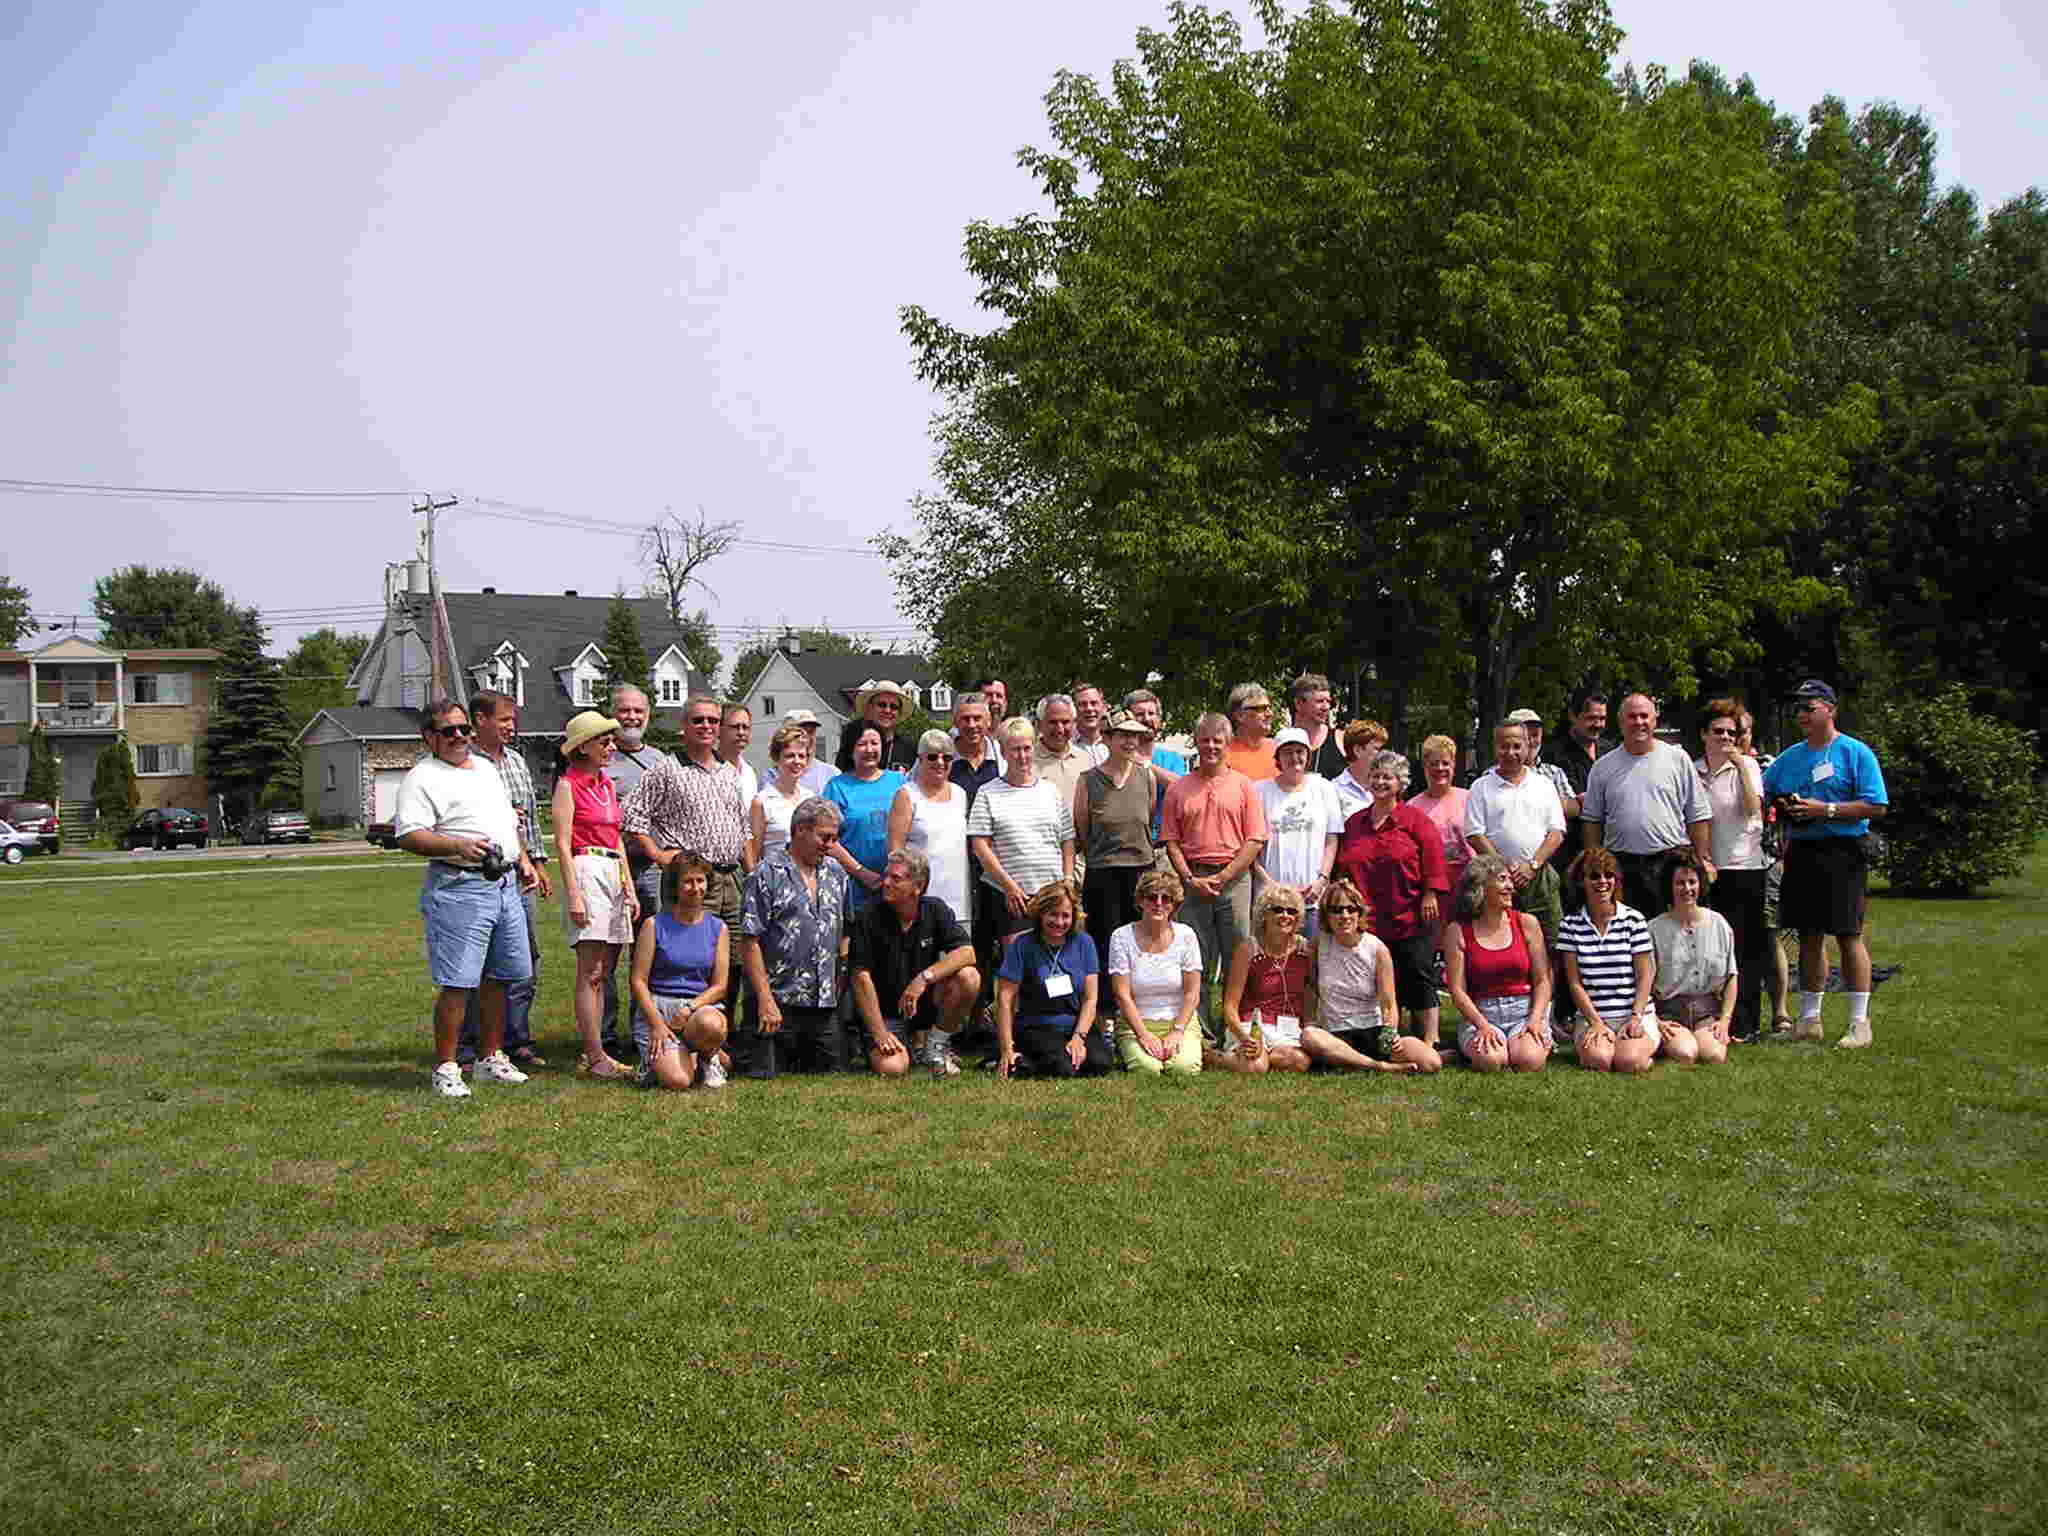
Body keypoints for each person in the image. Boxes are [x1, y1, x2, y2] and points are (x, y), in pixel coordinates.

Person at [394, 697, 539, 1098]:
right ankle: (447, 1066)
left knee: (502, 977)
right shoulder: (421, 778)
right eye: (448, 731)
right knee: (458, 983)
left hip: (505, 883)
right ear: (429, 738)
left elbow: (505, 820)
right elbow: (409, 835)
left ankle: (491, 1058)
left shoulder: (487, 769)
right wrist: (456, 845)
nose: (459, 736)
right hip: (460, 886)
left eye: (464, 729)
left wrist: (522, 858)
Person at [1761, 678, 1889, 1048]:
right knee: (1809, 937)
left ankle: (1859, 1022)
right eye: (1797, 708)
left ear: (1830, 709)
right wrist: (1781, 807)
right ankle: (1809, 1019)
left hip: (1844, 851)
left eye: (1809, 707)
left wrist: (1826, 809)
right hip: (1801, 852)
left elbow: (1876, 805)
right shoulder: (1788, 758)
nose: (1800, 714)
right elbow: (1765, 794)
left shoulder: (1855, 753)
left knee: (1849, 936)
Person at [623, 692, 750, 1058]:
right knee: (679, 959)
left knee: (732, 961)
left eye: (713, 720)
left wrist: (750, 872)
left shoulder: (729, 770)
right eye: (698, 720)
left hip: (731, 879)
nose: (707, 727)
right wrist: (658, 854)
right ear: (684, 727)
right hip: (692, 880)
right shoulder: (667, 769)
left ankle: (718, 1036)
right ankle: (657, 1034)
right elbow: (633, 815)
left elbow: (742, 828)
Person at [455, 690, 551, 1072]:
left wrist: (538, 863)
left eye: (513, 720)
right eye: (504, 719)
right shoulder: (464, 763)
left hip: (517, 872)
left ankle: (516, 1040)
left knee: (522, 959)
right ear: (480, 720)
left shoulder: (515, 761)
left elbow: (528, 819)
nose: (512, 726)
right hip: (479, 876)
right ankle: (468, 1045)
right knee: (476, 964)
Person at [1162, 711, 1268, 1041]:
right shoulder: (1179, 789)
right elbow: (1171, 841)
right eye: (1204, 739)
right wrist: (1189, 878)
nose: (1210, 746)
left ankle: (1238, 1032)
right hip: (1193, 882)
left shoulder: (1244, 787)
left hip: (1235, 880)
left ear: (1227, 745)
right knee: (1197, 960)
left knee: (1239, 957)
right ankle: (1204, 1035)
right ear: (1196, 742)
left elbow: (1255, 840)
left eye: (1217, 741)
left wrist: (1225, 876)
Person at [1334, 749, 1449, 1045]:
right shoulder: (1355, 823)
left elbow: (1435, 858)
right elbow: (1343, 863)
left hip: (1410, 913)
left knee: (1418, 973)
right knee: (1380, 977)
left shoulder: (1415, 820)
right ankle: (1388, 1033)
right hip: (1369, 917)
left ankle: (1431, 1038)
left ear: (1400, 783)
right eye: (1375, 776)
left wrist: (1430, 894)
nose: (1380, 782)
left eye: (1387, 777)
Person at [740, 797, 851, 1075]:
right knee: (764, 1073)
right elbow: (750, 941)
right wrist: (764, 1001)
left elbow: (846, 931)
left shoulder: (836, 873)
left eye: (834, 838)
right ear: (800, 829)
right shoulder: (765, 875)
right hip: (777, 1004)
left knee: (834, 1074)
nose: (830, 845)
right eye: (824, 837)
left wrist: (840, 979)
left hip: (823, 1005)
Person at [554, 709, 638, 1079]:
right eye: (602, 740)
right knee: (589, 971)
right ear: (582, 746)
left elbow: (616, 838)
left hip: (612, 872)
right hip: (586, 869)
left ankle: (598, 1051)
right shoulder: (567, 785)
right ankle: (593, 1054)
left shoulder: (606, 785)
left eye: (611, 739)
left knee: (605, 970)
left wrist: (629, 886)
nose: (610, 746)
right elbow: (561, 841)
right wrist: (574, 893)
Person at [848, 847, 980, 1078]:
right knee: (894, 1068)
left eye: (895, 878)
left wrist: (923, 978)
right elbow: (860, 978)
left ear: (918, 887)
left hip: (925, 1008)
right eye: (885, 875)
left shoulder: (935, 909)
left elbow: (967, 953)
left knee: (969, 976)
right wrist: (879, 1032)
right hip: (885, 1014)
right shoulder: (867, 916)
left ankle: (935, 1047)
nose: (885, 882)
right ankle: (910, 1047)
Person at [1580, 692, 1713, 918]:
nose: (1639, 722)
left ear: (1655, 720)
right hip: (1622, 864)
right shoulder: (1603, 767)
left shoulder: (1678, 760)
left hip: (1670, 861)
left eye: (1644, 716)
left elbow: (1697, 815)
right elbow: (1592, 820)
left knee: (1670, 932)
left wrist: (1701, 860)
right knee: (1627, 933)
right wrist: (1595, 862)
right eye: (1632, 717)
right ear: (1621, 723)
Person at [1301, 878, 1441, 1074]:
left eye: (1351, 909)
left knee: (1431, 1062)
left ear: (1360, 913)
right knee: (1309, 1035)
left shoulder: (1377, 949)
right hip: (1335, 1034)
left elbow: (1389, 1003)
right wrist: (1309, 1022)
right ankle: (1379, 1066)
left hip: (1373, 1031)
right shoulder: (1318, 945)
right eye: (1336, 910)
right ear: (1326, 915)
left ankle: (1352, 1064)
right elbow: (1311, 988)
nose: (1345, 915)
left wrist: (1390, 1033)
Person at [598, 683, 670, 1059]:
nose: (631, 718)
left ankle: (642, 1028)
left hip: (652, 870)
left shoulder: (660, 760)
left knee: (650, 954)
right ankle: (604, 1036)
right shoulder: (600, 757)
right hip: (611, 868)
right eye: (624, 711)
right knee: (606, 954)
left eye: (638, 711)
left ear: (648, 715)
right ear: (613, 713)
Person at [1695, 697, 1768, 1041]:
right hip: (1707, 870)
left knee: (1744, 949)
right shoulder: (1692, 770)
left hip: (1745, 867)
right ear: (1704, 734)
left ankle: (1746, 1022)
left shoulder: (1748, 767)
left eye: (1732, 732)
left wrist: (1739, 765)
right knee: (1711, 948)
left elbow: (1753, 810)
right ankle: (1709, 1017)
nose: (1725, 738)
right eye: (1718, 732)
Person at [966, 717, 1076, 944]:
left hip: (1052, 893)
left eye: (1027, 748)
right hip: (1012, 896)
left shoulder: (1050, 791)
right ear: (1004, 753)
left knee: (1053, 963)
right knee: (1020, 966)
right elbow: (980, 846)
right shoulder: (988, 793)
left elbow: (1067, 840)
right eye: (1015, 750)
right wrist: (1009, 887)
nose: (1022, 756)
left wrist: (1067, 881)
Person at [628, 852, 731, 1090]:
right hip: (659, 1009)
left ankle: (706, 1056)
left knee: (712, 1025)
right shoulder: (653, 925)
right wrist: (656, 1024)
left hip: (697, 1009)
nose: (695, 888)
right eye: (688, 881)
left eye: (701, 880)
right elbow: (638, 981)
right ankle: (689, 1057)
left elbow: (720, 986)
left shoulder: (719, 928)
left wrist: (689, 1009)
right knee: (678, 1081)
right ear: (675, 885)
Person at [1443, 855, 1553, 1073]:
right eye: (1502, 879)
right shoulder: (1457, 931)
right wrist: (1481, 1025)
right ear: (1481, 887)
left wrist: (1535, 1019)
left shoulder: (1527, 923)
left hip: (1524, 1011)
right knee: (1491, 1061)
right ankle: (1479, 1048)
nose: (1510, 887)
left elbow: (1542, 980)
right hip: (1482, 1013)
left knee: (1529, 1060)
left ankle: (1519, 1047)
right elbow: (1456, 990)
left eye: (1510, 881)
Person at [1463, 720, 1566, 949]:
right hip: (1496, 879)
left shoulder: (1544, 784)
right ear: (1495, 748)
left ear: (1528, 745)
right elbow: (1474, 834)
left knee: (1551, 943)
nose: (1510, 753)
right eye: (1504, 746)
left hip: (1540, 878)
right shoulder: (1481, 786)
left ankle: (1548, 985)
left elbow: (1556, 832)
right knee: (1503, 942)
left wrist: (1533, 865)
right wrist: (1504, 866)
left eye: (1517, 746)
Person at [995, 878, 1112, 1078]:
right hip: (1038, 1026)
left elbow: (1090, 998)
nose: (1059, 922)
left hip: (1076, 1024)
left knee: (1100, 1064)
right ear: (1040, 914)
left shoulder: (1084, 942)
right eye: (1053, 915)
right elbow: (1005, 999)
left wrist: (1078, 1038)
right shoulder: (1023, 944)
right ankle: (1019, 1059)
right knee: (1063, 1068)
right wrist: (1006, 1048)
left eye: (1065, 916)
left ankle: (1033, 1063)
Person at [1558, 848, 1657, 1074]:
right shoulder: (1570, 925)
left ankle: (1639, 1052)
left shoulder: (1634, 919)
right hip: (1592, 1016)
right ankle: (1608, 1046)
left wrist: (1636, 1017)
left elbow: (1645, 975)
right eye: (1594, 876)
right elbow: (1574, 983)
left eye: (1608, 875)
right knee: (1599, 1060)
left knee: (1629, 1063)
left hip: (1633, 1013)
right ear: (1582, 881)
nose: (1602, 881)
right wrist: (1596, 1022)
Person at [1073, 710, 1159, 962]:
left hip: (1141, 871)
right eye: (1123, 735)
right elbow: (1084, 829)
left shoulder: (1147, 776)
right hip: (1103, 872)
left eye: (1134, 736)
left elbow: (1147, 818)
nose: (1130, 742)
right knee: (1105, 943)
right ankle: (1106, 1000)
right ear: (1108, 739)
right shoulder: (1088, 780)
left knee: (1142, 943)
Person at [1105, 868, 1204, 1076]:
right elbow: (1122, 995)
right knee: (1147, 1070)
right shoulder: (1121, 937)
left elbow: (1192, 993)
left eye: (1166, 898)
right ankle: (1126, 1046)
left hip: (1179, 1021)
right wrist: (1143, 1035)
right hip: (1137, 1023)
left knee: (1183, 1069)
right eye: (1152, 897)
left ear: (1174, 903)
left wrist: (1177, 1031)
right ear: (1140, 901)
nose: (1159, 903)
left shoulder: (1187, 935)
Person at [1211, 883, 1314, 1074]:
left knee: (1300, 1062)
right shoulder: (1248, 949)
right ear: (1264, 914)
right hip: (1251, 1024)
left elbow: (1311, 995)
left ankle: (1259, 1057)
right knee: (1256, 1067)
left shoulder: (1305, 950)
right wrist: (1243, 1037)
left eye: (1292, 911)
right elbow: (1230, 1006)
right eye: (1278, 910)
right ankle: (1216, 1058)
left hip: (1287, 1027)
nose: (1285, 916)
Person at [1646, 851, 1733, 1066]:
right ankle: (1668, 1041)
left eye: (1692, 882)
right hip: (1669, 1014)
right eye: (1680, 883)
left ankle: (1701, 1038)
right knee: (1686, 1054)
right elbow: (1641, 983)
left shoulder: (1718, 923)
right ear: (1669, 886)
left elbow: (1732, 976)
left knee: (1714, 1056)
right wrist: (1655, 1021)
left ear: (1700, 884)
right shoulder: (1654, 929)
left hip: (1707, 1014)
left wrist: (1724, 1021)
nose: (1687, 889)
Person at [1256, 727, 1343, 938]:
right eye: (1287, 752)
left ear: (1308, 755)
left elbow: (1331, 839)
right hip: (1273, 898)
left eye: (1299, 751)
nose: (1295, 758)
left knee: (1313, 962)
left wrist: (1322, 879)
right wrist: (1268, 883)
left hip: (1313, 897)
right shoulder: (1259, 790)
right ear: (1277, 757)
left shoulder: (1324, 788)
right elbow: (1251, 845)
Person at [887, 728, 971, 925]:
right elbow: (894, 851)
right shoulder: (906, 795)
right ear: (921, 759)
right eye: (932, 757)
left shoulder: (960, 794)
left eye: (947, 758)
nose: (940, 763)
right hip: (919, 901)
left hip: (959, 899)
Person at [824, 720, 909, 912]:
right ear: (850, 749)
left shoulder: (900, 781)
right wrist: (862, 873)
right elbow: (828, 839)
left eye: (874, 743)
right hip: (854, 888)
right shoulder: (837, 787)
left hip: (898, 886)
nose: (869, 749)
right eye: (862, 744)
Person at [1543, 690, 1608, 905]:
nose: (1597, 724)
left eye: (1602, 718)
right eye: (1591, 718)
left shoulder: (1611, 751)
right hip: (1570, 852)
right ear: (1573, 716)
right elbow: (1570, 804)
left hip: (1608, 848)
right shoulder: (1555, 753)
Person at [1406, 732, 1471, 947]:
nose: (1440, 769)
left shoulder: (1469, 798)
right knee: (1439, 942)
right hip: (1434, 888)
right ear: (1424, 766)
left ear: (1454, 764)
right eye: (1434, 763)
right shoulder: (1413, 807)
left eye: (1446, 763)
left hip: (1468, 883)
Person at [749, 724, 812, 868]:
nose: (797, 761)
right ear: (777, 759)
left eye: (801, 756)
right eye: (790, 755)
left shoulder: (810, 798)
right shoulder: (762, 802)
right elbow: (754, 856)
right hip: (775, 881)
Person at [835, 680, 916, 772]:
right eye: (882, 705)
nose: (887, 710)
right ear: (869, 708)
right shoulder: (853, 743)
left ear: (899, 713)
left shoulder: (909, 748)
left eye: (894, 707)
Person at [1030, 693, 1093, 811]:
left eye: (1065, 722)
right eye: (1053, 722)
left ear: (1074, 724)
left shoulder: (1085, 760)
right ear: (1039, 724)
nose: (1059, 729)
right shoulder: (1027, 761)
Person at [947, 690, 1002, 808]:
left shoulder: (1002, 755)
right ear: (955, 722)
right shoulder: (937, 756)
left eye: (977, 718)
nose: (971, 725)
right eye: (965, 719)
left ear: (988, 721)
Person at [1288, 672, 1347, 779]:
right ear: (1299, 704)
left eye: (1328, 701)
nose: (1326, 707)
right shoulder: (1283, 742)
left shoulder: (1341, 740)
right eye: (1319, 701)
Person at [1330, 718, 1389, 815]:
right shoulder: (1333, 790)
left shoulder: (1386, 788)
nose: (1382, 754)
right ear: (1358, 750)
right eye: (1377, 749)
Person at [721, 703, 758, 849]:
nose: (741, 732)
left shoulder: (749, 772)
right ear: (719, 729)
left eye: (746, 727)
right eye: (735, 727)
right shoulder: (708, 770)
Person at [1223, 682, 1278, 781]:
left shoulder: (1279, 749)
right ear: (1240, 716)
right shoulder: (1221, 755)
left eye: (1269, 708)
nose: (1270, 714)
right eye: (1261, 709)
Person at [781, 709, 837, 795]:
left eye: (811, 732)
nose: (807, 737)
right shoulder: (772, 776)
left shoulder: (831, 774)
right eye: (801, 732)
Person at [1070, 681, 1110, 765]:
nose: (1089, 709)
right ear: (1073, 709)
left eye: (1094, 703)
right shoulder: (1066, 746)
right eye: (1082, 704)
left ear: (1103, 708)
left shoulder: (1115, 744)